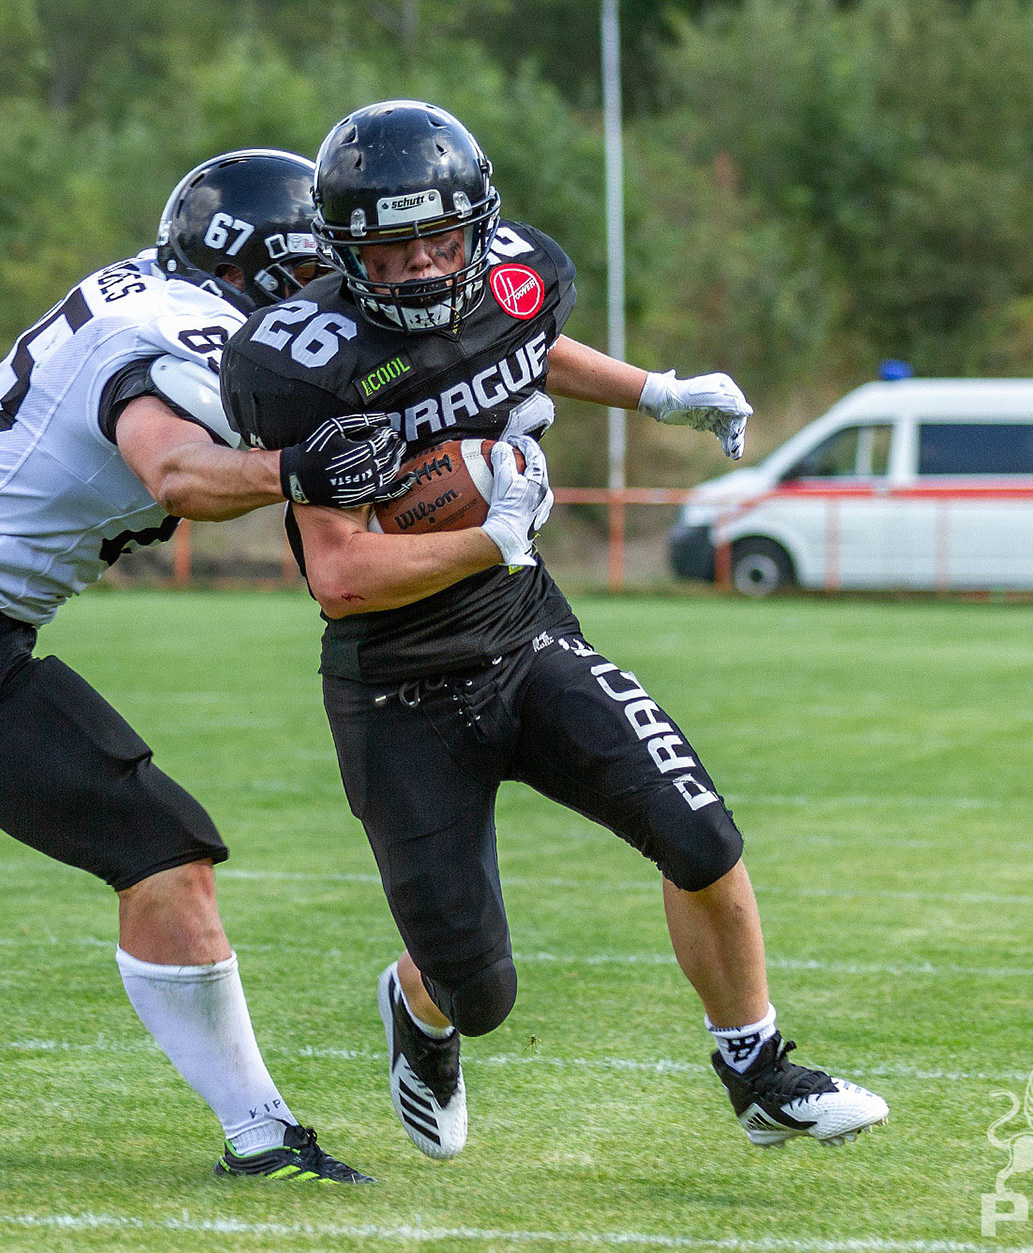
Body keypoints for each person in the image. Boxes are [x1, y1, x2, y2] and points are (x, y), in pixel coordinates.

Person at [220, 101, 890, 1162]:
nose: (427, 266)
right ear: (344, 250)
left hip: (528, 636)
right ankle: (420, 1008)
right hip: (397, 685)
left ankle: (759, 1073)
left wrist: (655, 393)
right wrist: (490, 538)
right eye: (396, 249)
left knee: (700, 834)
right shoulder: (304, 363)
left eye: (444, 239)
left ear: (479, 226)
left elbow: (523, 350)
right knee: (478, 990)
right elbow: (340, 576)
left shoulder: (515, 277)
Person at [0, 150, 407, 1184]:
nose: (328, 291)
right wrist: (299, 467)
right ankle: (262, 1135)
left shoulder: (151, 290)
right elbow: (177, 471)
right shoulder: (171, 327)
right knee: (163, 851)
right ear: (252, 265)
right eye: (312, 269)